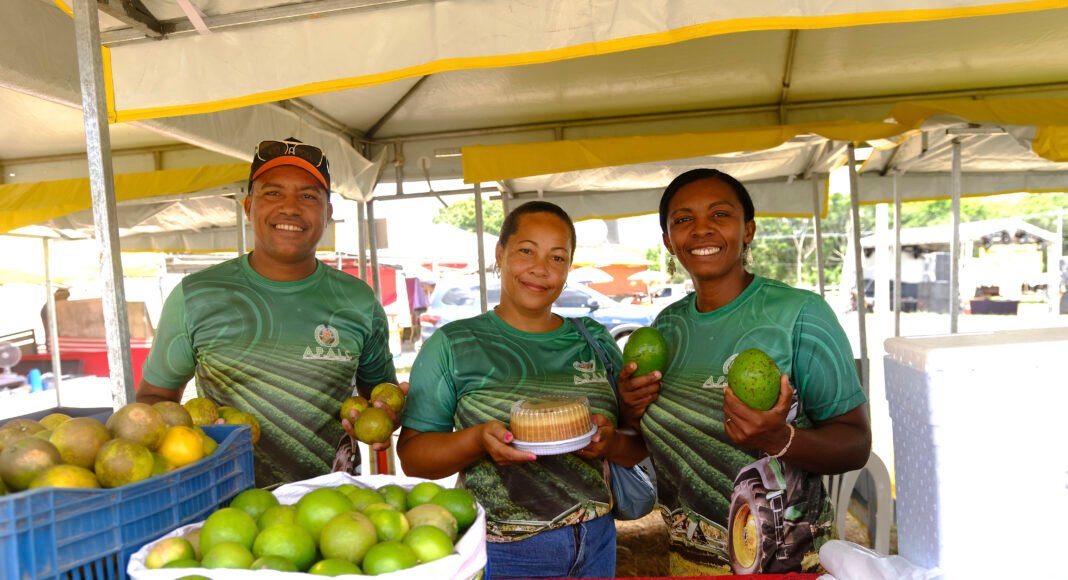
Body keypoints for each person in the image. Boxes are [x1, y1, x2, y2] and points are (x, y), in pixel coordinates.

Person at [620, 168, 871, 576]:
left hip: (787, 566)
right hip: (687, 562)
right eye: (683, 220)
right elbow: (648, 442)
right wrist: (630, 410)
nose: (701, 230)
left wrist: (779, 438)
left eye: (720, 215)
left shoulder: (799, 314)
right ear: (669, 240)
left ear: (748, 229)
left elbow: (856, 443)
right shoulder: (667, 328)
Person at [397, 201, 648, 579]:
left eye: (557, 257)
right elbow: (414, 458)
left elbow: (636, 443)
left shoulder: (593, 339)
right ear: (500, 254)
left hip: (596, 542)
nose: (540, 269)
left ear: (568, 268)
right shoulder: (454, 344)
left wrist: (609, 443)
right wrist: (478, 440)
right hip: (504, 552)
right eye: (526, 251)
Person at [136, 138, 397, 487]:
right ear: (248, 207)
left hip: (336, 508)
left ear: (328, 212)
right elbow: (154, 400)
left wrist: (386, 417)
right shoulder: (196, 296)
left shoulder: (358, 300)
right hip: (224, 504)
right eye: (273, 193)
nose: (290, 208)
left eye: (308, 196)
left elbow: (381, 395)